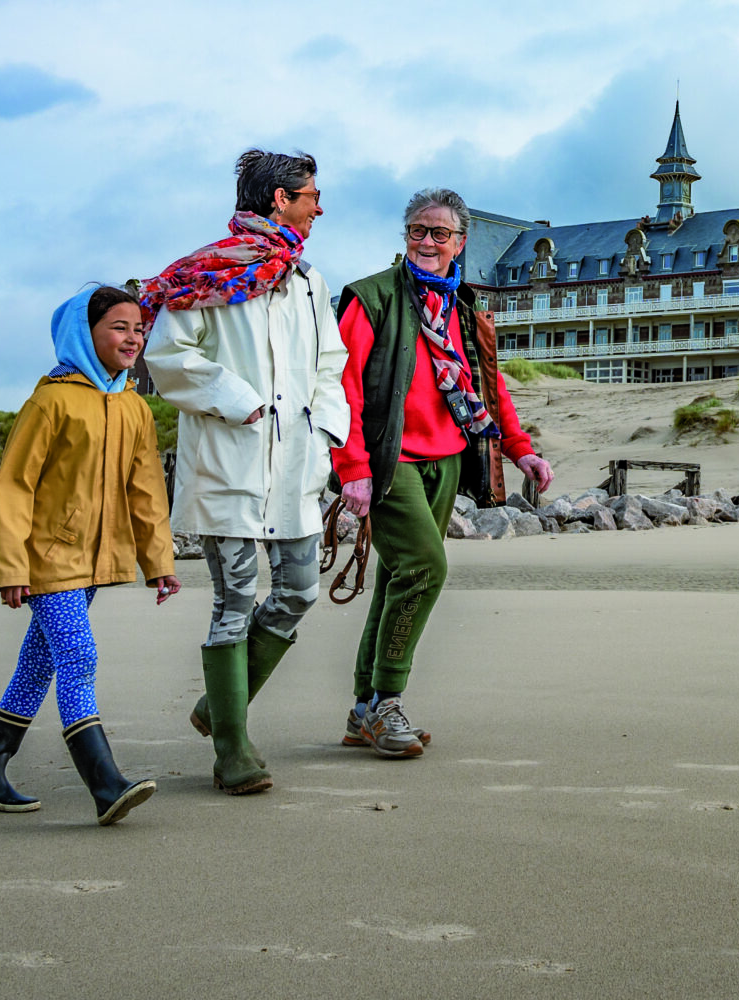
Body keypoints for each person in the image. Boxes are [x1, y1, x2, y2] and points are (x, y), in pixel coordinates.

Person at [141, 149, 349, 795]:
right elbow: (167, 355)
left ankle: (218, 704)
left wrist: (328, 433)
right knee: (232, 601)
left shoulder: (307, 280)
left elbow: (329, 363)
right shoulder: (203, 274)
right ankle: (232, 748)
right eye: (311, 194)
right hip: (227, 459)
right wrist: (238, 398)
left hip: (295, 464)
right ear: (279, 199)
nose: (320, 205)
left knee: (299, 592)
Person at [331, 188, 552, 758]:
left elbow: (488, 385)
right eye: (417, 231)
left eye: (439, 233)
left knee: (395, 576)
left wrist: (519, 449)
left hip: (449, 458)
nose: (427, 242)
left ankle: (362, 712)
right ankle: (387, 701)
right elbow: (343, 388)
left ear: (461, 241)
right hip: (388, 461)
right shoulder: (372, 297)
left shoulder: (465, 306)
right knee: (426, 567)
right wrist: (351, 466)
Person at [0, 284, 179, 826]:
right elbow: (14, 487)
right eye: (119, 327)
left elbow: (147, 491)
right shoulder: (51, 400)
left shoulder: (133, 407)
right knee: (78, 658)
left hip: (93, 563)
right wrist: (11, 567)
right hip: (47, 560)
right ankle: (106, 785)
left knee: (37, 665)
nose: (133, 338)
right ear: (85, 332)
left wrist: (159, 562)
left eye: (139, 328)